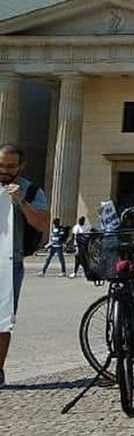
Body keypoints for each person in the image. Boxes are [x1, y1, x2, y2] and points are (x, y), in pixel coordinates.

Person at [1, 144, 50, 388]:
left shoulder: (30, 191)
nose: (4, 170)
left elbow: (42, 224)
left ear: (21, 166)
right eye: (0, 165)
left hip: (9, 261)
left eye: (10, 166)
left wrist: (20, 202)